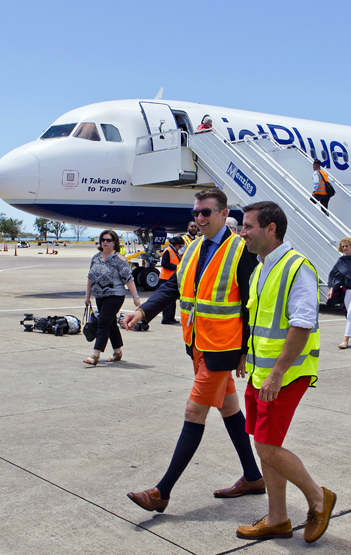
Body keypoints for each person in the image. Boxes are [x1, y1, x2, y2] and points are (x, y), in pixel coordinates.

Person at [122, 188, 265, 512]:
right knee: (229, 409)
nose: (198, 218)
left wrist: (245, 351)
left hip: (222, 349)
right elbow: (173, 286)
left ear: (223, 213)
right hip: (198, 344)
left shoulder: (240, 251)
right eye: (195, 212)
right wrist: (143, 311)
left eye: (205, 212)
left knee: (193, 412)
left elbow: (250, 305)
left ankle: (162, 492)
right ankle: (253, 476)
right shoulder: (193, 248)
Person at [235, 201, 335, 544]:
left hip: (286, 374)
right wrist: (245, 357)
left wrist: (277, 372)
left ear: (270, 228)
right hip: (260, 371)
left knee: (265, 445)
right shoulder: (260, 268)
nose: (242, 233)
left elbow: (303, 324)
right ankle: (277, 518)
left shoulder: (297, 268)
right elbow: (259, 322)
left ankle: (319, 498)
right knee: (265, 443)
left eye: (247, 227)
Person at [84, 230, 140, 365]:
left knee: (103, 323)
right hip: (100, 296)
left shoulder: (119, 259)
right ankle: (117, 352)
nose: (105, 242)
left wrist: (135, 296)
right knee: (111, 324)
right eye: (103, 240)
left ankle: (95, 354)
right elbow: (90, 277)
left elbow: (128, 278)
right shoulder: (96, 257)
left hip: (115, 295)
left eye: (108, 240)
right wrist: (87, 295)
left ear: (114, 242)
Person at [158, 236, 183, 325]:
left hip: (171, 278)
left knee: (172, 301)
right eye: (180, 246)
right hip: (166, 278)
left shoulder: (175, 251)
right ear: (176, 244)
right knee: (167, 300)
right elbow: (164, 264)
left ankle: (171, 317)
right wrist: (176, 267)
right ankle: (166, 319)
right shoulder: (168, 251)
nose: (180, 248)